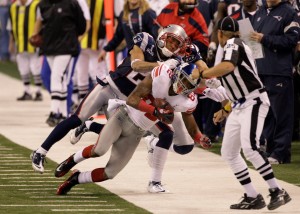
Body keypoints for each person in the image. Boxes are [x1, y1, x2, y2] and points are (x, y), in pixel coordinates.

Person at [31, 25, 207, 175]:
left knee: (133, 133)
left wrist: (210, 82)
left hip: (130, 101)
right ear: (163, 36)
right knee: (77, 118)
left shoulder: (175, 62)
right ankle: (40, 151)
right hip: (110, 87)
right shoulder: (146, 40)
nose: (173, 45)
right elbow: (136, 64)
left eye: (177, 43)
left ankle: (90, 126)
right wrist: (160, 66)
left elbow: (194, 77)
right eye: (172, 40)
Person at [55, 62, 211, 195]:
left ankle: (76, 179)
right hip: (123, 116)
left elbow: (189, 121)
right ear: (177, 74)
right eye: (184, 79)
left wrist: (199, 137)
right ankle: (71, 160)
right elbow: (132, 99)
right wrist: (155, 111)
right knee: (99, 150)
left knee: (110, 173)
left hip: (137, 132)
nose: (184, 85)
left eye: (189, 85)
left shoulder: (187, 101)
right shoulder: (161, 75)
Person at [200, 16, 291, 210]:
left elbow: (228, 67)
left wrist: (203, 73)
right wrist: (225, 109)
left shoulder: (233, 43)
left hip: (254, 101)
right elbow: (234, 84)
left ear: (220, 33)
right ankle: (252, 196)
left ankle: (277, 190)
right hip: (240, 104)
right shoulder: (235, 45)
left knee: (250, 148)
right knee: (229, 152)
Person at [250, 0, 300, 164]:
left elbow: (291, 41)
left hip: (279, 70)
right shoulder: (259, 12)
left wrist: (265, 38)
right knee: (267, 113)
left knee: (282, 114)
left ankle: (281, 153)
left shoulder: (289, 12)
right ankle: (270, 150)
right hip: (261, 70)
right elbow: (252, 43)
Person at [30, 0, 86, 126]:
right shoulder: (43, 4)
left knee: (57, 77)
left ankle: (54, 112)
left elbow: (82, 26)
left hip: (66, 47)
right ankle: (63, 114)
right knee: (60, 80)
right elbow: (41, 21)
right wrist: (35, 34)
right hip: (49, 46)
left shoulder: (72, 3)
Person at [7, 0, 43, 101]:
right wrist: (11, 42)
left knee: (36, 68)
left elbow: (42, 22)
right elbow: (11, 27)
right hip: (20, 43)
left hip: (34, 44)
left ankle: (38, 91)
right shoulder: (13, 7)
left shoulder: (36, 5)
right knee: (23, 69)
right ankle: (27, 91)